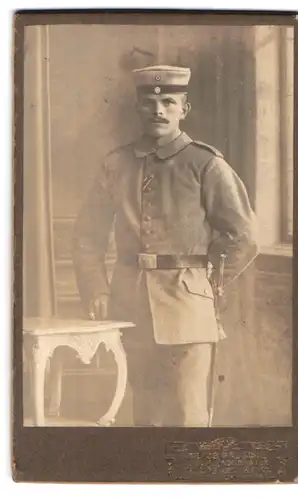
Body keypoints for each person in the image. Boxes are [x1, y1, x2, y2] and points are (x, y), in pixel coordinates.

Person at [72, 65, 258, 427]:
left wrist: (208, 284)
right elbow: (87, 236)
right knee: (144, 417)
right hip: (129, 305)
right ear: (138, 108)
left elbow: (243, 237)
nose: (158, 110)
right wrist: (95, 287)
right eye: (149, 103)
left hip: (188, 307)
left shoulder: (206, 164)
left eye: (169, 102)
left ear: (183, 109)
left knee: (189, 417)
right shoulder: (115, 164)